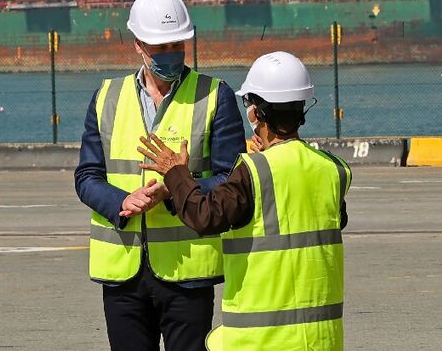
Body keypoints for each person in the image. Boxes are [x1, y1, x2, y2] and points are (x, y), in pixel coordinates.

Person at [137, 51, 351, 351]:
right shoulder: (333, 168)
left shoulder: (253, 171)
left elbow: (204, 216)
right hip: (321, 340)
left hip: (263, 340)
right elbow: (326, 218)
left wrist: (175, 173)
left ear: (256, 113)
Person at [75, 0, 246, 351]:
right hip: (122, 271)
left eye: (176, 44)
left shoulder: (216, 95)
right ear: (138, 44)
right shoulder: (106, 97)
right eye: (160, 47)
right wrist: (124, 201)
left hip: (188, 273)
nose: (170, 53)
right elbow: (87, 177)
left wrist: (176, 188)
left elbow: (232, 177)